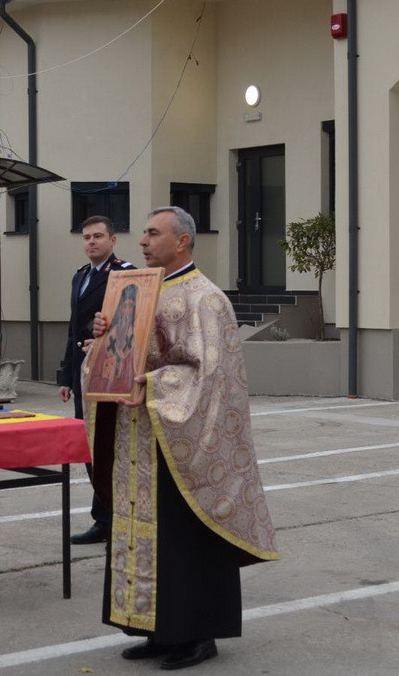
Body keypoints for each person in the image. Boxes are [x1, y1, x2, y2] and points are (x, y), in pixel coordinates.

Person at [84, 206, 279, 671]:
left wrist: (151, 383)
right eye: (144, 233)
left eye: (154, 233)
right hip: (138, 436)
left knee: (183, 537)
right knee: (146, 532)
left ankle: (196, 634)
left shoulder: (205, 298)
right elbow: (121, 357)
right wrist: (103, 340)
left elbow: (211, 376)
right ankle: (155, 629)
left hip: (181, 437)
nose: (143, 242)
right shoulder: (136, 290)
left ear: (182, 241)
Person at [57, 215, 134, 545]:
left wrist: (99, 336)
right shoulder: (81, 276)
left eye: (98, 236)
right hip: (83, 373)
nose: (91, 242)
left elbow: (130, 321)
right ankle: (104, 517)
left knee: (107, 447)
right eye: (87, 237)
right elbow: (74, 327)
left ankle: (112, 518)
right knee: (90, 446)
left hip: (110, 373)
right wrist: (66, 375)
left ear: (112, 240)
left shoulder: (125, 274)